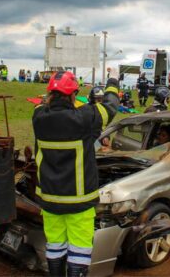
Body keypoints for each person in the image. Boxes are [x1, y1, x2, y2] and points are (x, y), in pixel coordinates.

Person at [32, 71, 119, 277]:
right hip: (79, 201)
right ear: (73, 94)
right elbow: (111, 107)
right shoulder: (85, 118)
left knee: (55, 245)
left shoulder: (38, 117)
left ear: (50, 93)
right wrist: (112, 83)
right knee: (79, 249)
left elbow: (41, 104)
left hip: (50, 199)